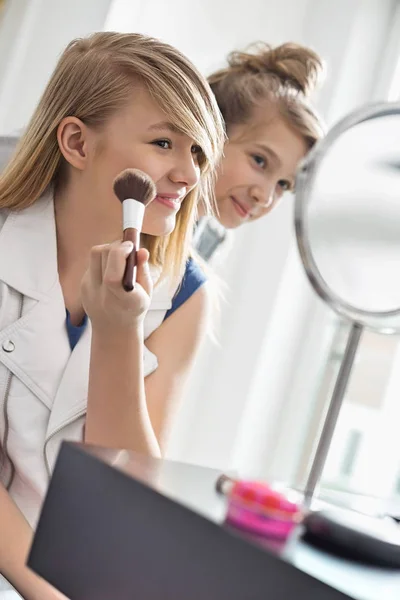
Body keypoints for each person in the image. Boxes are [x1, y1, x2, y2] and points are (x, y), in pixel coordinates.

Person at [0, 31, 224, 598]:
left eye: (196, 151)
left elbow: (129, 492)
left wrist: (119, 334)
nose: (189, 174)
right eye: (163, 143)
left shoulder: (185, 296)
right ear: (77, 142)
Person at [194, 42, 324, 261]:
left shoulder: (211, 240)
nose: (264, 198)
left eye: (283, 184)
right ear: (209, 130)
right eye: (260, 161)